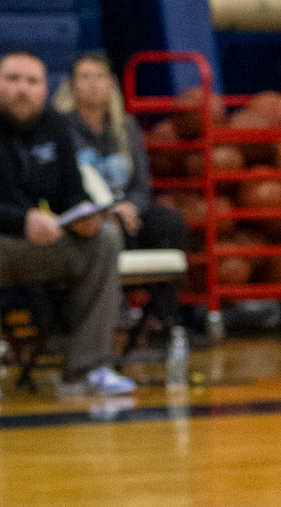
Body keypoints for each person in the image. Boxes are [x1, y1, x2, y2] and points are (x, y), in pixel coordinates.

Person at [0, 52, 135, 401]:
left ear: (45, 90)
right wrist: (23, 220)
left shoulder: (55, 126)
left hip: (43, 245)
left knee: (106, 237)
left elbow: (73, 194)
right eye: (13, 79)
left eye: (32, 82)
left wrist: (85, 219)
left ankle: (88, 368)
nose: (23, 89)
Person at [55, 50, 189, 344]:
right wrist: (105, 212)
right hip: (87, 214)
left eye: (100, 77)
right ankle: (106, 319)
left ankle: (165, 319)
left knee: (169, 223)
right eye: (85, 77)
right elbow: (61, 184)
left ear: (111, 84)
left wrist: (131, 207)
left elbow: (141, 184)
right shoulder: (60, 127)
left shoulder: (126, 126)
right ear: (72, 85)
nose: (93, 84)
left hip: (126, 213)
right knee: (105, 230)